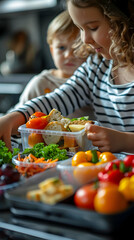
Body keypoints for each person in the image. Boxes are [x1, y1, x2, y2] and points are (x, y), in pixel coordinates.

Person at [0, 0, 134, 154]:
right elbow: (56, 100)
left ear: (124, 20)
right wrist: (11, 119)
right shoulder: (96, 67)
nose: (85, 39)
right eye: (80, 29)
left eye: (93, 28)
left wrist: (126, 141)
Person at [12, 10, 87, 109]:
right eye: (61, 48)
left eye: (77, 48)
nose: (69, 55)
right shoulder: (40, 84)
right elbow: (18, 116)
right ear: (52, 50)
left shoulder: (95, 83)